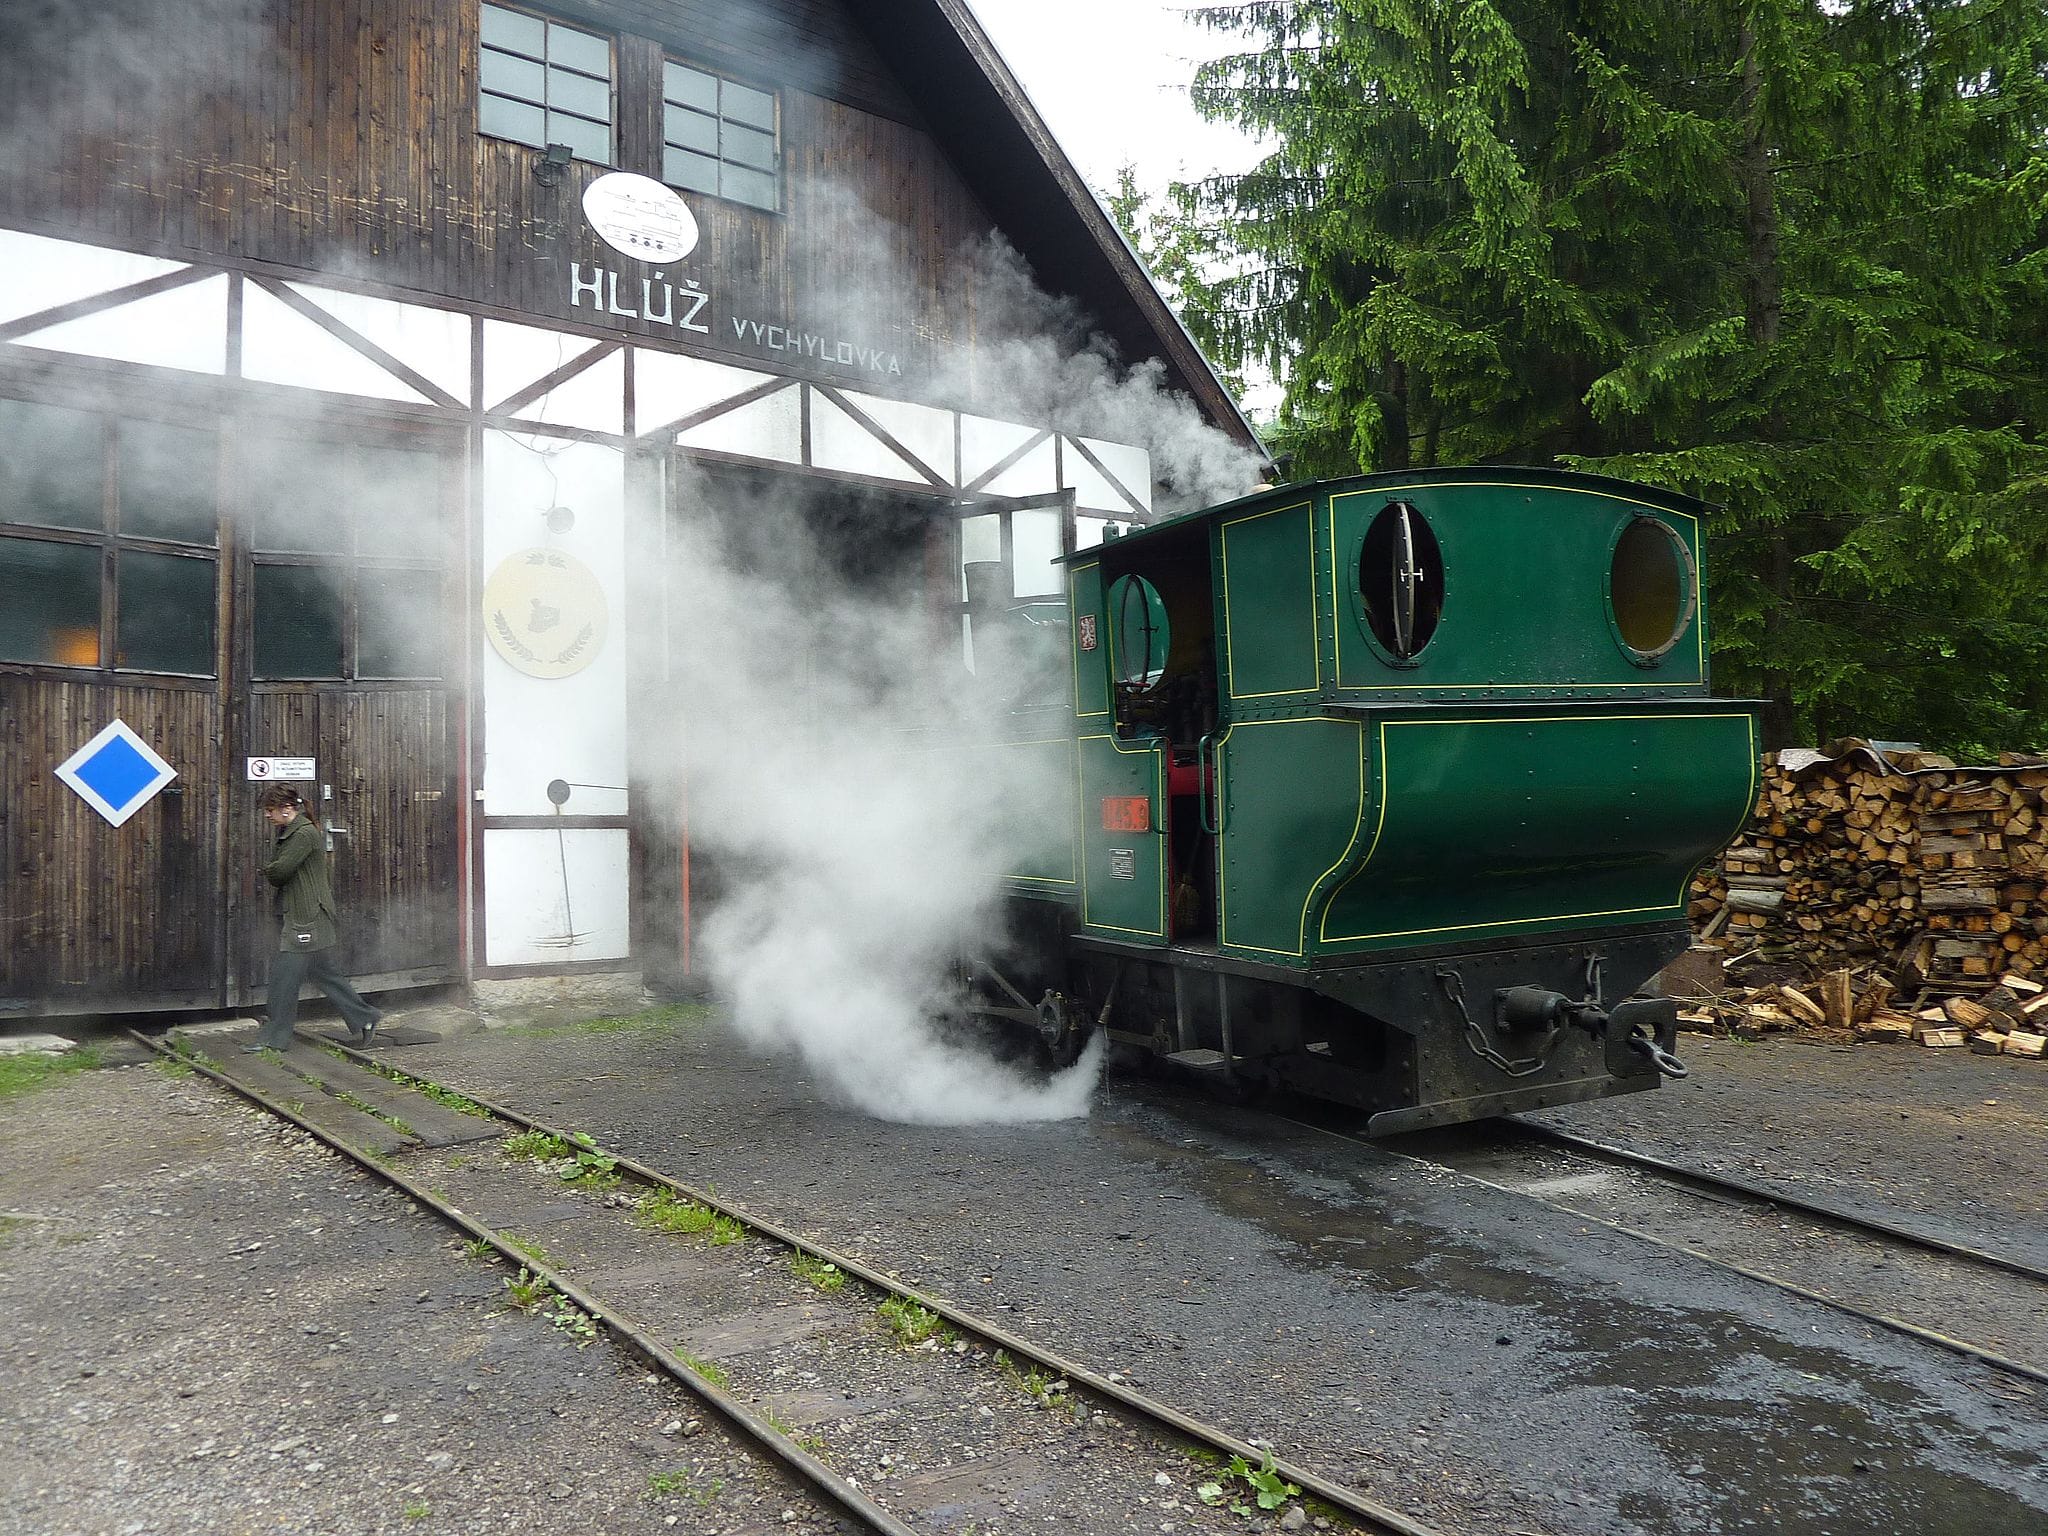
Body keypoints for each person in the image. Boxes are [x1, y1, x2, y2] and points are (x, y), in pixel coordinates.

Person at [248, 785, 382, 1052]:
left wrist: (268, 870)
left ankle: (274, 1039)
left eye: (270, 810)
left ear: (287, 808)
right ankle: (364, 1017)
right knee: (323, 973)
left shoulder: (303, 834)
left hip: (305, 919)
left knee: (283, 980)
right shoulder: (294, 832)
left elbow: (280, 872)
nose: (267, 815)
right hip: (307, 916)